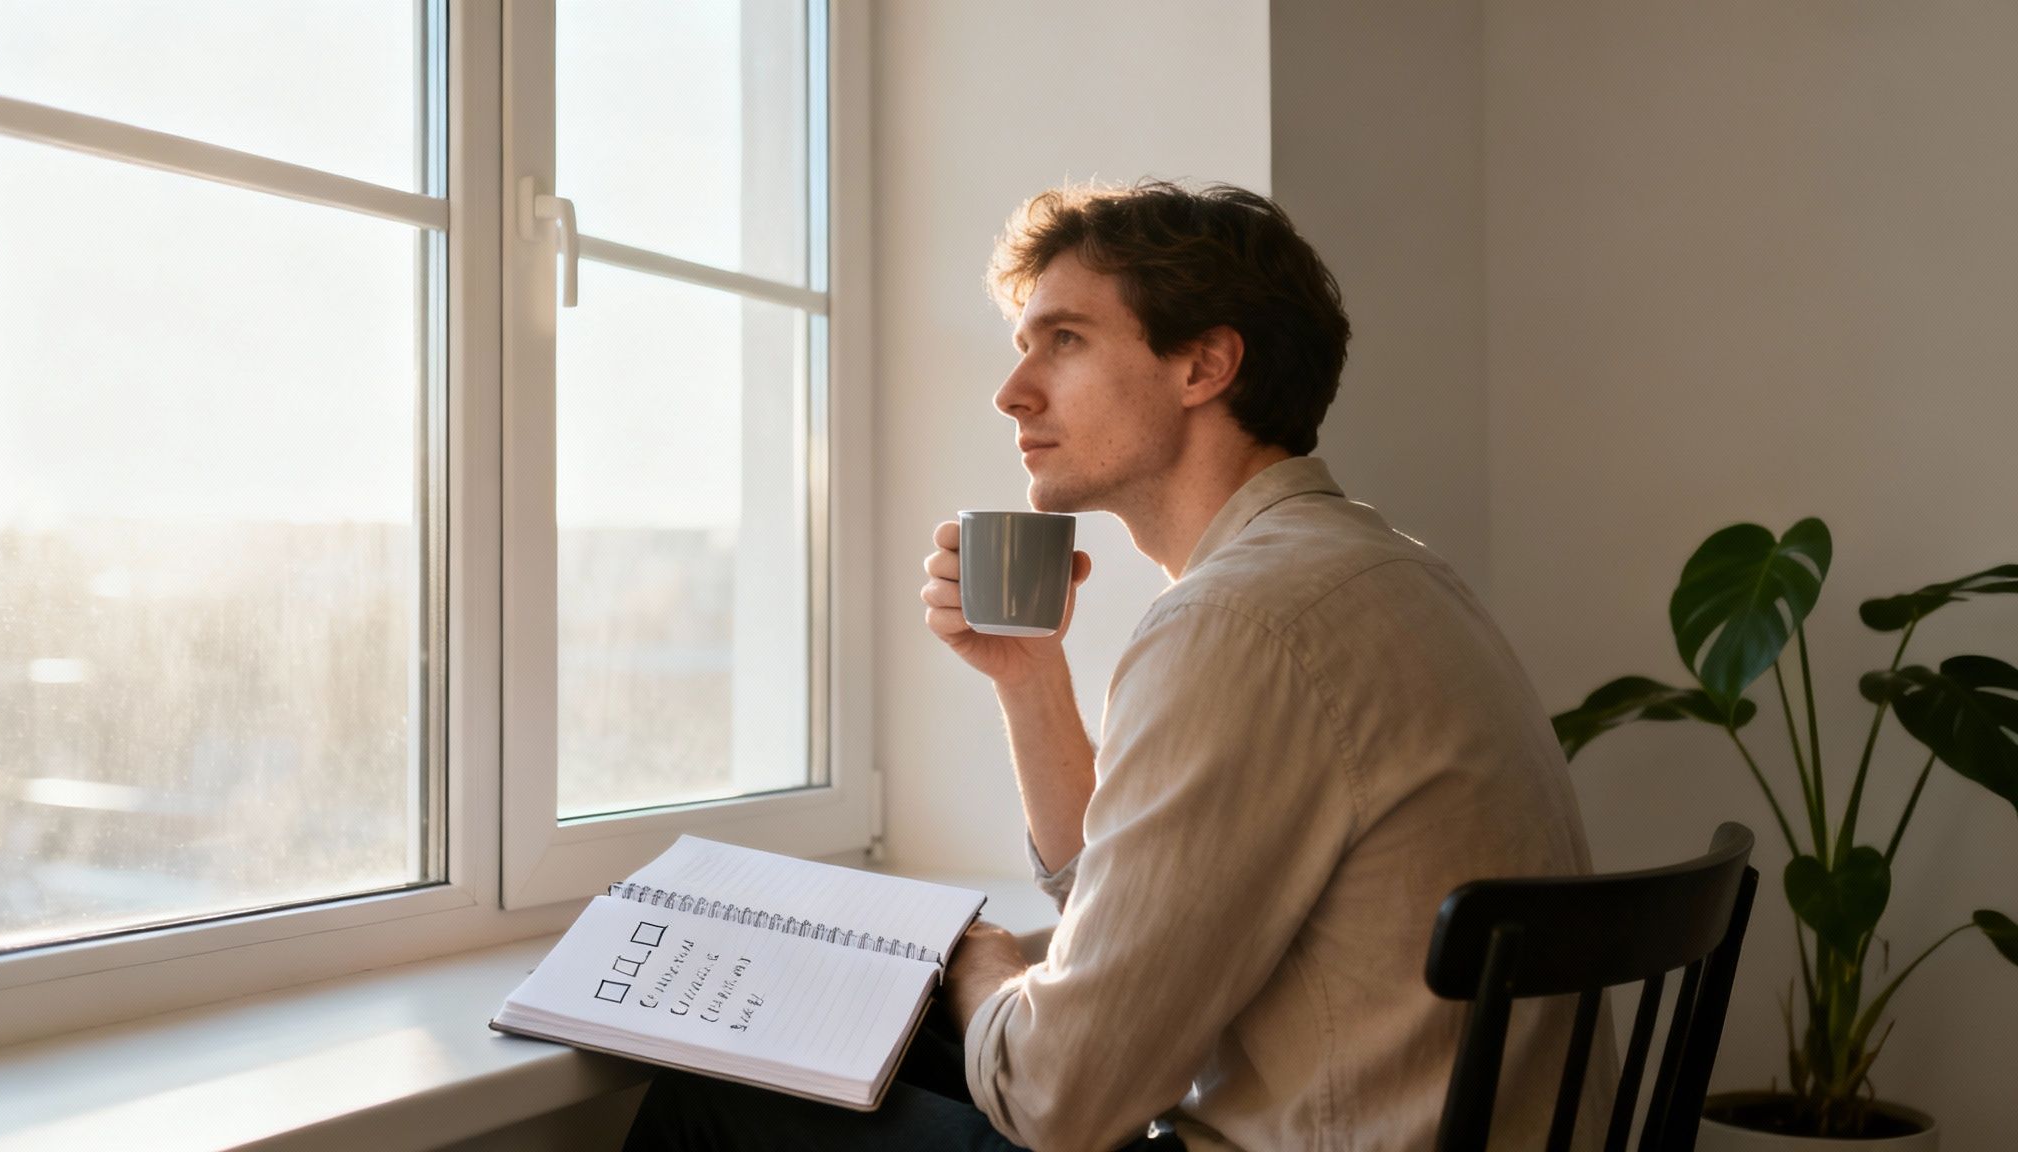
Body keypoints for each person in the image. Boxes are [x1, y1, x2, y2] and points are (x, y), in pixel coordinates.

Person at [626, 181, 1611, 1152]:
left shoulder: (1236, 622)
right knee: (884, 1040)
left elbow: (1060, 1101)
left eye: (1064, 340)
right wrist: (1027, 676)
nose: (1012, 392)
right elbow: (1131, 919)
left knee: (712, 1103)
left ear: (1203, 365)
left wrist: (976, 956)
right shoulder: (1381, 574)